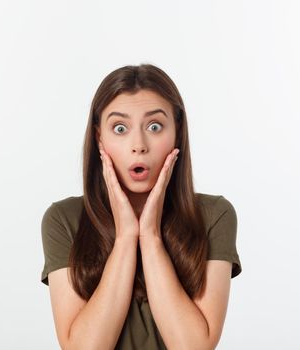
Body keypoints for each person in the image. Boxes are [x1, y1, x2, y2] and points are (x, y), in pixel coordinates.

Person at [40, 63, 242, 350]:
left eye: (155, 126)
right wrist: (125, 239)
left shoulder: (214, 216)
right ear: (100, 138)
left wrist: (150, 236)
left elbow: (193, 347)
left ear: (177, 133)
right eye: (120, 128)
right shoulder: (64, 220)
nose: (139, 145)